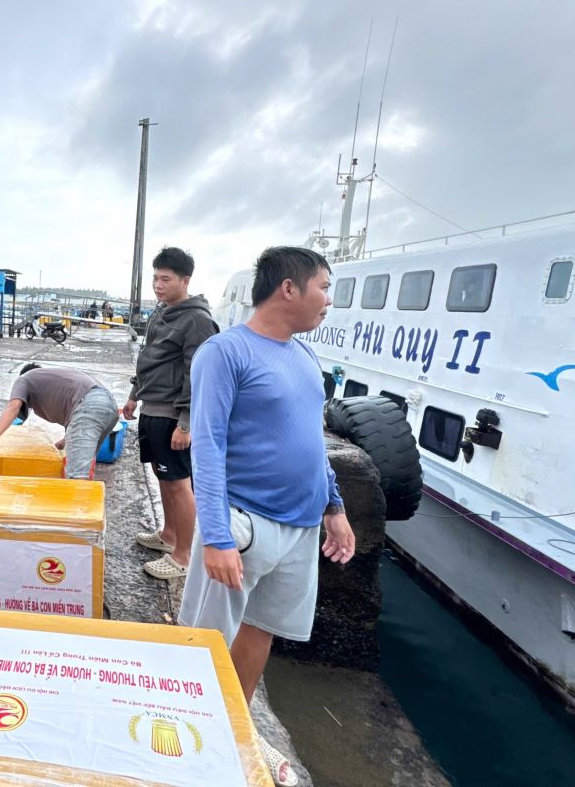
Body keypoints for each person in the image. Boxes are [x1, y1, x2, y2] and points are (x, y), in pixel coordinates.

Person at [179, 246, 356, 787]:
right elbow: (206, 448)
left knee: (261, 631)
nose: (329, 300)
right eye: (323, 287)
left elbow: (313, 443)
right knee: (204, 638)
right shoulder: (224, 353)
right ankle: (184, 738)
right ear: (289, 288)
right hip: (242, 523)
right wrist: (215, 536)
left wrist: (335, 507)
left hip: (302, 529)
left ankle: (233, 733)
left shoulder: (306, 358)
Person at [122, 247, 218, 580]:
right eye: (155, 277)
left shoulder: (198, 320)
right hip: (152, 408)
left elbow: (199, 374)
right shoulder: (160, 314)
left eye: (166, 279)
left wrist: (186, 422)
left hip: (173, 417)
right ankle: (169, 536)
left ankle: (183, 556)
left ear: (185, 280)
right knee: (163, 478)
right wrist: (135, 395)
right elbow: (149, 359)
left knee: (179, 484)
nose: (157, 285)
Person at [0, 363, 118, 479]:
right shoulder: (52, 381)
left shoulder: (24, 379)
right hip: (109, 407)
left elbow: (13, 407)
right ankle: (83, 511)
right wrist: (67, 439)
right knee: (85, 468)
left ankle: (75, 514)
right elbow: (76, 407)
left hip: (90, 406)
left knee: (77, 477)